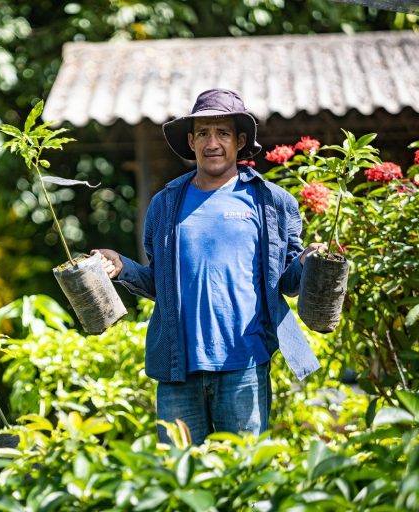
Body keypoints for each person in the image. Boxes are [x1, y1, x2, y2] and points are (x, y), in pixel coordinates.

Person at [94, 88, 324, 444]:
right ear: (191, 141)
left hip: (244, 365)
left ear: (239, 141)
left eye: (223, 133)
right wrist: (120, 266)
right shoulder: (166, 204)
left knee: (244, 477)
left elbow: (287, 282)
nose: (212, 142)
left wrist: (308, 261)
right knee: (178, 481)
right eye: (203, 133)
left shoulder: (270, 202)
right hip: (178, 371)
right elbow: (161, 286)